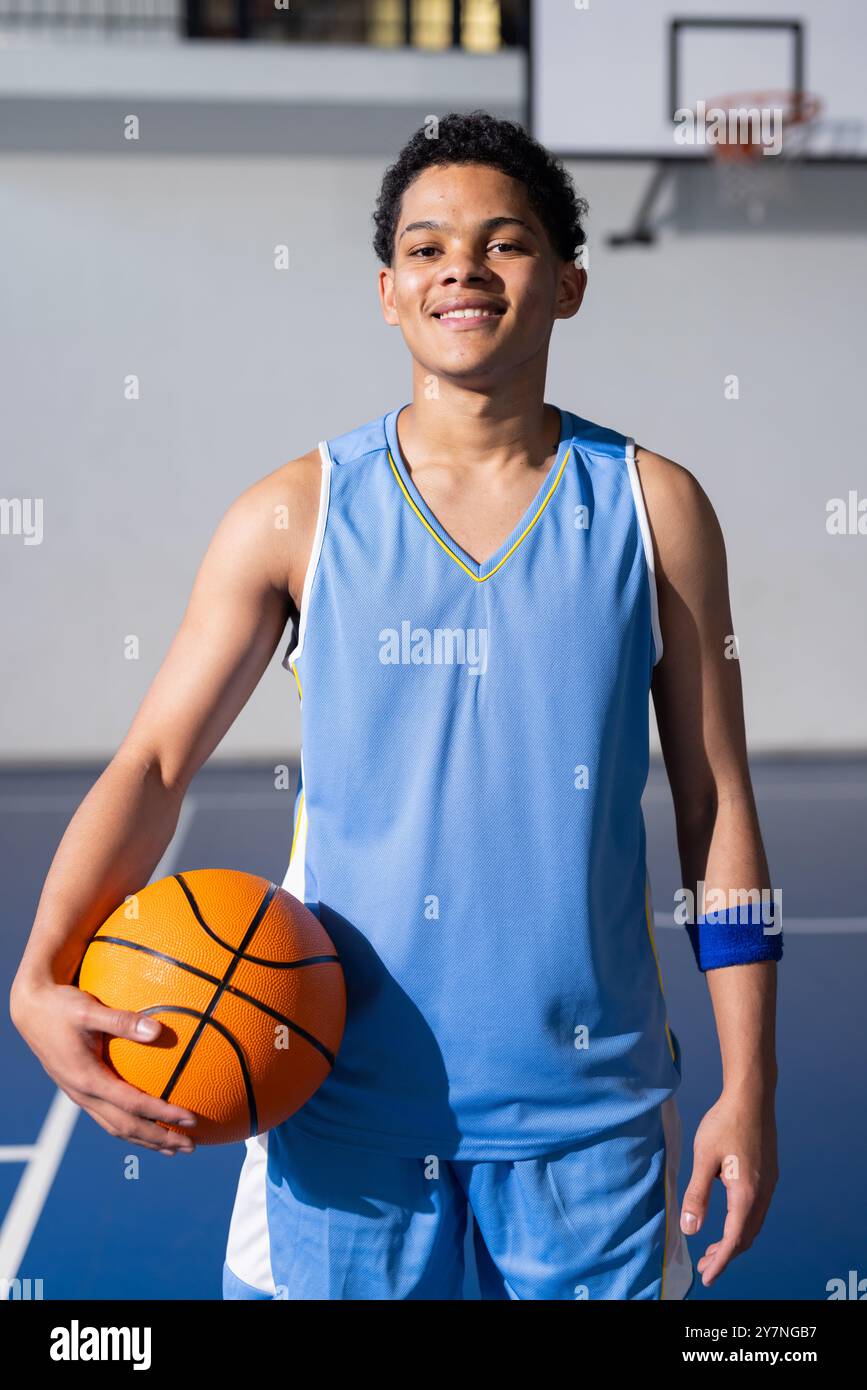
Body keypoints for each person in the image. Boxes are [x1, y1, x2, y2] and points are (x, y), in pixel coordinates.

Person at [11, 110, 781, 1301]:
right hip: (337, 1106)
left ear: (570, 281)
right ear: (387, 292)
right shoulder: (296, 512)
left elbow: (716, 800)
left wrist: (750, 1083)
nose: (460, 268)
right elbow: (158, 761)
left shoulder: (651, 505)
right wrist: (41, 970)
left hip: (591, 1121)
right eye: (425, 248)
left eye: (505, 242)